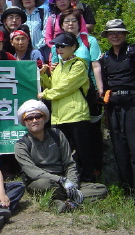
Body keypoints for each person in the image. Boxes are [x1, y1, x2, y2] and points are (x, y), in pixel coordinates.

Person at [14, 100, 107, 213]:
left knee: (101, 189)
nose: (34, 120)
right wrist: (61, 180)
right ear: (24, 122)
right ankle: (73, 200)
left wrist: (72, 184)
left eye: (38, 116)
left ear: (44, 118)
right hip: (44, 182)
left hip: (64, 180)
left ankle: (65, 203)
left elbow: (69, 163)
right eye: (29, 118)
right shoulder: (21, 145)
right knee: (44, 184)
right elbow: (33, 172)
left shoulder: (57, 135)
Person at [99, 19, 135, 207]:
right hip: (114, 108)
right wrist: (106, 114)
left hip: (134, 106)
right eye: (111, 33)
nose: (115, 35)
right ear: (107, 36)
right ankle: (128, 191)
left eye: (119, 32)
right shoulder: (105, 57)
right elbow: (105, 87)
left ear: (124, 34)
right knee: (120, 152)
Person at [51, 9, 104, 177]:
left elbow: (95, 65)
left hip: (80, 99)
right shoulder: (60, 61)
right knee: (66, 145)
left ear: (74, 47)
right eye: (66, 21)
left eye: (74, 20)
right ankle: (73, 177)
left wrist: (100, 88)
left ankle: (90, 175)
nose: (59, 49)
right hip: (61, 108)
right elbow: (55, 77)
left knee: (86, 141)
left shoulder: (86, 48)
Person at [38, 32, 93, 182]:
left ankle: (88, 181)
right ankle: (70, 181)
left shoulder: (79, 65)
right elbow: (52, 85)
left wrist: (46, 94)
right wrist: (44, 76)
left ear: (74, 47)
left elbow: (66, 87)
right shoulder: (58, 66)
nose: (59, 49)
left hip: (76, 114)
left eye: (63, 46)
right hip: (59, 116)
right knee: (64, 152)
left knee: (83, 151)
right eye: (57, 46)